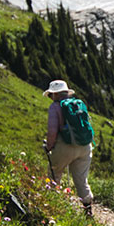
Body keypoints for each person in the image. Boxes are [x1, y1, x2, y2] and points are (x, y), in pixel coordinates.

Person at [43, 80, 93, 216]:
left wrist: (48, 147)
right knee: (81, 179)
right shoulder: (78, 104)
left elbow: (52, 132)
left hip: (65, 146)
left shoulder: (55, 107)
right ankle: (88, 209)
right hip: (85, 146)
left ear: (55, 94)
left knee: (55, 174)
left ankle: (51, 207)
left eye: (50, 95)